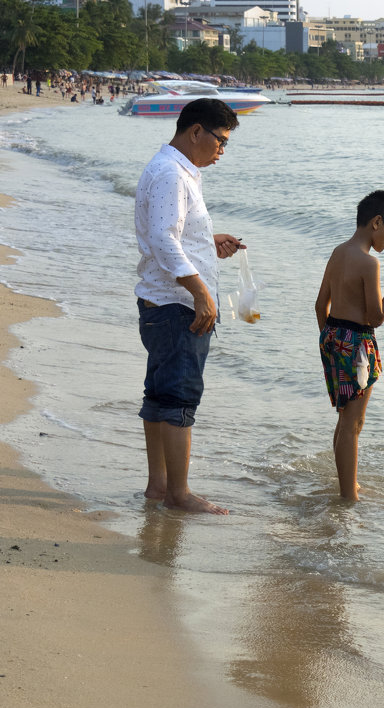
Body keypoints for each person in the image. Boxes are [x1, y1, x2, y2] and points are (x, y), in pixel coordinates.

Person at [134, 98, 243, 515]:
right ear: (196, 131)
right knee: (179, 398)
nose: (221, 150)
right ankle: (178, 495)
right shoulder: (171, 174)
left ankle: (158, 487)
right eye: (220, 140)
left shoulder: (174, 170)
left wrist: (207, 245)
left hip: (162, 300)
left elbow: (172, 235)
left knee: (160, 394)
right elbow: (163, 239)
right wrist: (201, 292)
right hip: (176, 305)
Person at [315, 190, 384, 501]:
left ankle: (347, 484)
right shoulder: (370, 264)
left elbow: (320, 305)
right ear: (376, 222)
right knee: (353, 421)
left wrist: (330, 343)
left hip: (333, 336)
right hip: (357, 342)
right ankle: (348, 495)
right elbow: (377, 317)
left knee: (346, 417)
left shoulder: (338, 251)